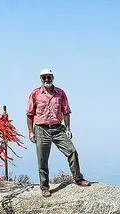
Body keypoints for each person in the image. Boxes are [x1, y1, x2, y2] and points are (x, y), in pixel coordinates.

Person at [26, 68, 90, 197]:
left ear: (53, 77)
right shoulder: (35, 93)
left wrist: (68, 128)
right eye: (44, 77)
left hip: (57, 128)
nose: (47, 79)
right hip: (41, 128)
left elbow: (66, 111)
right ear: (41, 79)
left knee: (71, 151)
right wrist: (31, 132)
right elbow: (29, 114)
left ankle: (78, 178)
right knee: (42, 159)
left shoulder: (60, 93)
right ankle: (44, 187)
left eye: (49, 77)